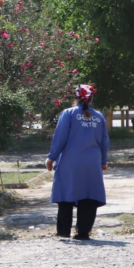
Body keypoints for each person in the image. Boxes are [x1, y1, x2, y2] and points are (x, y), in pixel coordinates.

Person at [46, 84, 110, 240]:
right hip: (92, 163)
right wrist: (103, 161)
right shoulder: (99, 116)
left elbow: (60, 138)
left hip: (70, 161)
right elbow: (105, 141)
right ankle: (82, 233)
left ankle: (63, 232)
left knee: (66, 195)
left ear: (75, 97)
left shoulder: (68, 114)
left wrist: (52, 157)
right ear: (91, 99)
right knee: (88, 196)